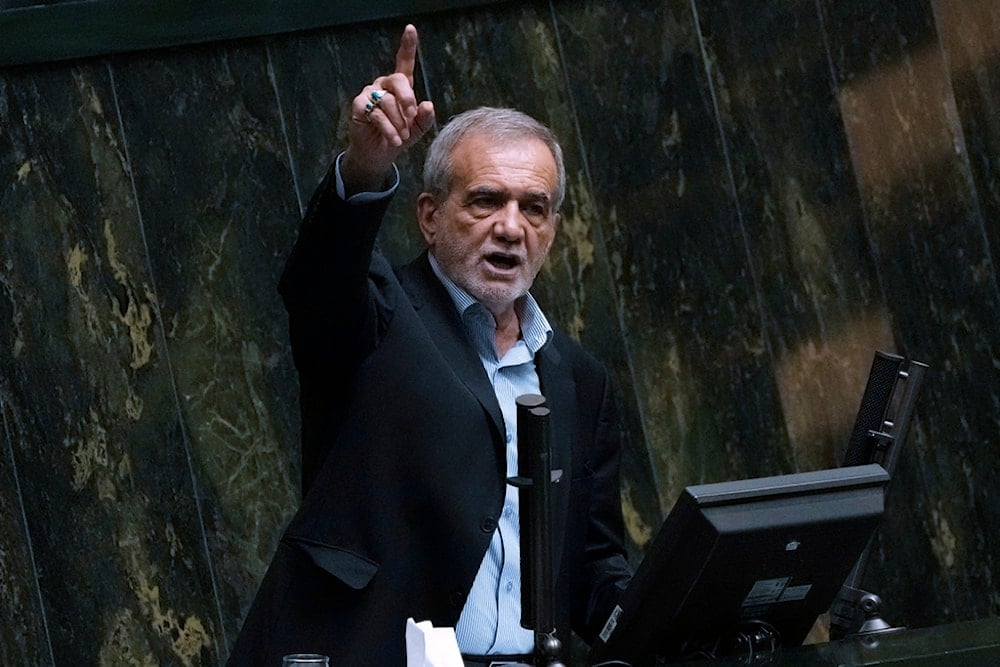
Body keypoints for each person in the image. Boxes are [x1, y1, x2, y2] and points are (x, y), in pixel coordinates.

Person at [228, 24, 631, 666]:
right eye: (485, 200)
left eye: (534, 208)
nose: (510, 227)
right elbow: (318, 282)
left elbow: (591, 564)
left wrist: (681, 612)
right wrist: (365, 166)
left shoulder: (578, 378)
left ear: (553, 230)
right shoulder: (380, 311)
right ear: (429, 215)